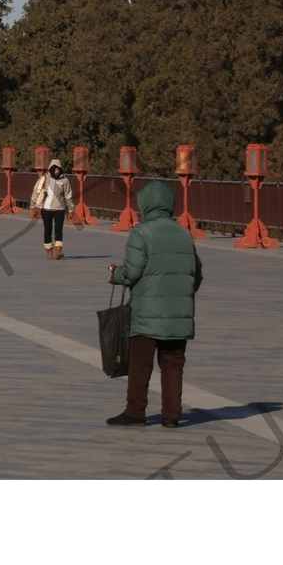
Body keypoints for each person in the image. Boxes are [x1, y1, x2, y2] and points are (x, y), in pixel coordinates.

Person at [106, 180, 203, 428]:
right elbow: (197, 274)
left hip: (148, 311)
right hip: (179, 312)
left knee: (141, 363)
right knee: (173, 363)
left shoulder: (142, 231)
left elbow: (132, 272)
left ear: (145, 203)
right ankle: (172, 414)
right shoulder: (184, 233)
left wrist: (115, 274)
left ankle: (135, 412)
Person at [30, 158, 76, 258]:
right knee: (48, 230)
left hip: (60, 209)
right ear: (51, 169)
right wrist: (33, 206)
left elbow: (68, 196)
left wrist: (71, 210)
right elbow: (36, 192)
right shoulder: (45, 178)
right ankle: (49, 252)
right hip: (46, 209)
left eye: (58, 169)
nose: (57, 171)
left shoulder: (64, 180)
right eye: (55, 169)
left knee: (59, 230)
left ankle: (58, 251)